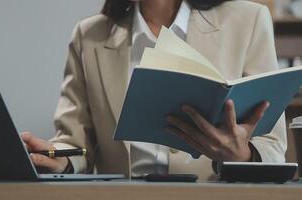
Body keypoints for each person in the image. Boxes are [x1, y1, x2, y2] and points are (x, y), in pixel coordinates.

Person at [21, 0, 287, 180]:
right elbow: (77, 145)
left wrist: (241, 156)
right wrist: (58, 159)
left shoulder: (248, 20)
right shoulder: (89, 35)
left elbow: (273, 147)